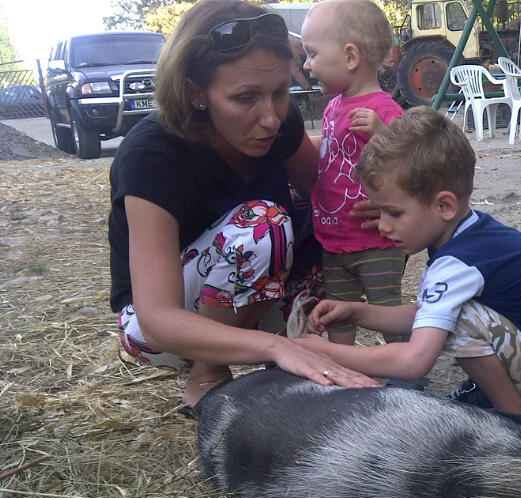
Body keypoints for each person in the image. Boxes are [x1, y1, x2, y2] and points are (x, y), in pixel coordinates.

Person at [107, 0, 378, 415]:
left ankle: (291, 367)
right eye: (245, 97)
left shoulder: (278, 123)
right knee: (264, 226)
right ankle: (206, 377)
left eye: (279, 93)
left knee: (329, 233)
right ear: (197, 93)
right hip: (161, 328)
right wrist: (277, 344)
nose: (270, 118)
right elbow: (158, 316)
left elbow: (328, 200)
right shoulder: (150, 155)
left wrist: (386, 213)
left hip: (259, 295)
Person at [299, 107, 521, 433]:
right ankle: (501, 399)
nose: (383, 226)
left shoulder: (456, 264)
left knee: (460, 318)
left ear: (444, 206)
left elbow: (415, 360)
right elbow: (427, 313)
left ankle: (518, 423)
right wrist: (358, 313)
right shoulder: (473, 234)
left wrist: (324, 352)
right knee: (450, 314)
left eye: (393, 213)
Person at [300, 0, 407, 345]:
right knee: (337, 314)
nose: (307, 65)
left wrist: (381, 135)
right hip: (334, 239)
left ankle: (408, 377)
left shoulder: (384, 109)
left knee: (387, 310)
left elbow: (416, 164)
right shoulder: (333, 106)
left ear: (350, 57)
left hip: (376, 241)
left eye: (312, 54)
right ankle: (344, 373)